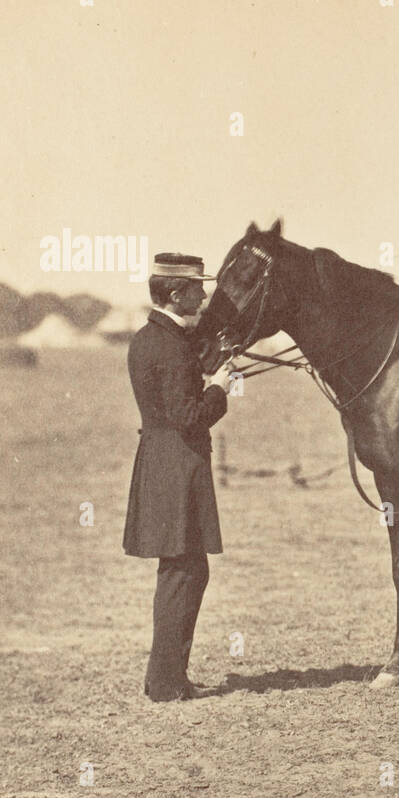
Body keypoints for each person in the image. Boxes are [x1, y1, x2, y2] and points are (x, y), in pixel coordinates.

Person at [123, 253, 234, 702]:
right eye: (195, 289)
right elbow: (189, 416)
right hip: (177, 465)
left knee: (185, 569)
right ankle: (167, 682)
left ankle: (166, 677)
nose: (203, 295)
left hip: (163, 461)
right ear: (174, 293)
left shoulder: (152, 338)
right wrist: (219, 390)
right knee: (182, 572)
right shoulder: (169, 345)